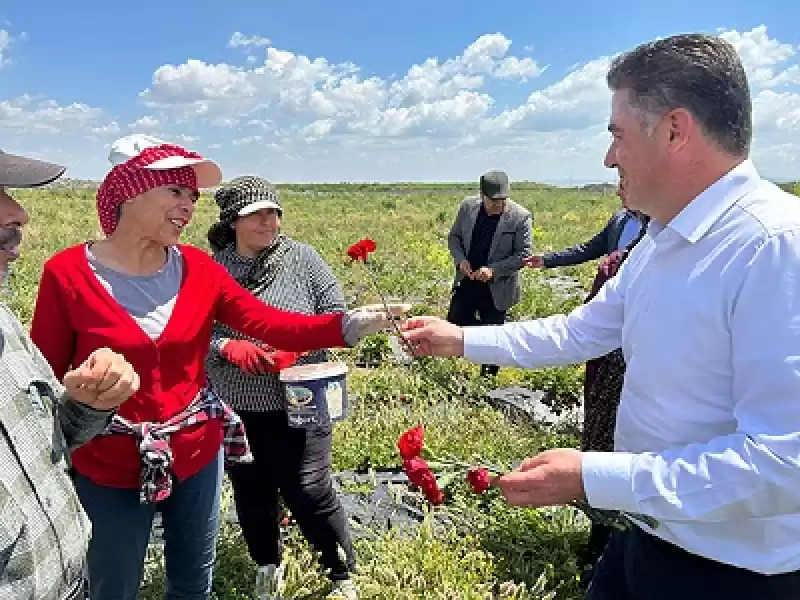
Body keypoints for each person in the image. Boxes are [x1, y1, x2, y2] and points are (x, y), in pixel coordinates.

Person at [401, 33, 800, 600]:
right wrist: (460, 339)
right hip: (647, 536)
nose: (609, 158)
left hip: (732, 574)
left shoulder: (774, 246)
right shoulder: (663, 242)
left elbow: (785, 463)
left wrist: (593, 476)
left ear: (674, 130)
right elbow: (581, 330)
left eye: (617, 136)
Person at [28, 135, 390, 600]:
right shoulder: (68, 274)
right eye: (176, 192)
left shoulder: (199, 270)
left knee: (192, 583)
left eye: (192, 197)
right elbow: (44, 378)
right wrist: (76, 393)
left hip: (196, 453)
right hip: (108, 463)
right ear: (130, 190)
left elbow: (270, 324)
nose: (188, 207)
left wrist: (348, 325)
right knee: (112, 585)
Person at [204, 176, 358, 600]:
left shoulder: (303, 259)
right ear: (233, 220)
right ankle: (267, 563)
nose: (268, 221)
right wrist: (227, 347)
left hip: (301, 397)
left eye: (273, 212)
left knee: (308, 487)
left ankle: (340, 571)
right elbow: (194, 333)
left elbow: (334, 312)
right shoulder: (212, 270)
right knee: (252, 490)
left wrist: (298, 347)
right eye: (257, 214)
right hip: (239, 401)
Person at [0, 150, 139, 600]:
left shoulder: (3, 323)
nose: (18, 213)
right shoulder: (68, 271)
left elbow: (48, 444)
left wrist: (87, 405)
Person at [525, 181, 649, 585]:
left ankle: (622, 539)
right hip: (607, 365)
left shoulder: (668, 244)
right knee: (599, 441)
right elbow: (588, 254)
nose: (618, 186)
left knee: (625, 451)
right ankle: (600, 541)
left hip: (637, 368)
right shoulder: (621, 230)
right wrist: (548, 261)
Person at [446, 170, 532, 376]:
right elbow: (454, 238)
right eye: (494, 201)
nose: (500, 205)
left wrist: (494, 271)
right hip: (468, 282)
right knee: (455, 323)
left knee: (494, 337)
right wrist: (461, 261)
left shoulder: (520, 217)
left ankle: (489, 381)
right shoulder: (468, 207)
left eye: (503, 200)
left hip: (498, 288)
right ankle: (470, 356)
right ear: (482, 195)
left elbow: (524, 254)